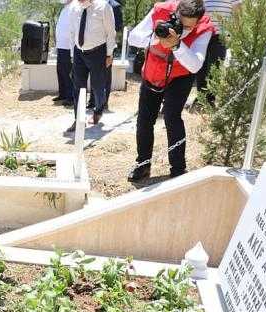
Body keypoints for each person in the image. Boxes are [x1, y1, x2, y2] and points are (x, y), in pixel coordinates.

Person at [127, 0, 215, 181]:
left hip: (180, 76)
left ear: (198, 21)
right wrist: (157, 35)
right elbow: (133, 38)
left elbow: (195, 65)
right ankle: (143, 165)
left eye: (188, 27)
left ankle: (178, 168)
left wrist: (176, 45)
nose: (182, 29)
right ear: (176, 12)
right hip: (153, 71)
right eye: (180, 23)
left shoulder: (205, 28)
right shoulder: (161, 10)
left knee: (172, 117)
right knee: (144, 119)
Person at [65, 0, 116, 131]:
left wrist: (109, 54)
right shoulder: (74, 7)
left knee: (98, 86)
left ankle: (98, 110)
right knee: (78, 87)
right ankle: (78, 120)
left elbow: (111, 32)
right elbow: (72, 31)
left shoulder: (104, 7)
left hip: (98, 52)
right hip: (79, 52)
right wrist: (72, 54)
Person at [197, 0, 240, 105]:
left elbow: (237, 9)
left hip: (221, 34)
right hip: (202, 32)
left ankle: (210, 100)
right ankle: (201, 98)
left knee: (215, 66)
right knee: (200, 66)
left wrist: (237, 32)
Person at [89, 0, 123, 111]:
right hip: (92, 46)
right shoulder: (92, 3)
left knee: (105, 76)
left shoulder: (114, 6)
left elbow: (117, 28)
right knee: (94, 74)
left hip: (106, 46)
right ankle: (93, 101)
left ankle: (104, 102)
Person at [54, 0, 78, 107]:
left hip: (68, 46)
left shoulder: (75, 6)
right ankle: (63, 93)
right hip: (61, 45)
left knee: (68, 72)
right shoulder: (65, 8)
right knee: (60, 71)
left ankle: (71, 97)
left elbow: (74, 27)